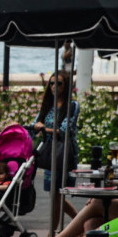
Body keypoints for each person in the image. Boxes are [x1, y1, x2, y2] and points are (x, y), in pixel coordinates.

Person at [33, 69, 79, 217]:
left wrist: (44, 128)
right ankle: (79, 225)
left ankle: (53, 233)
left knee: (58, 195)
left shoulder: (72, 106)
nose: (54, 86)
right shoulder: (47, 105)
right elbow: (35, 125)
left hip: (64, 152)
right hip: (50, 153)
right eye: (51, 83)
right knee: (54, 195)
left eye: (58, 83)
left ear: (65, 86)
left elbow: (65, 129)